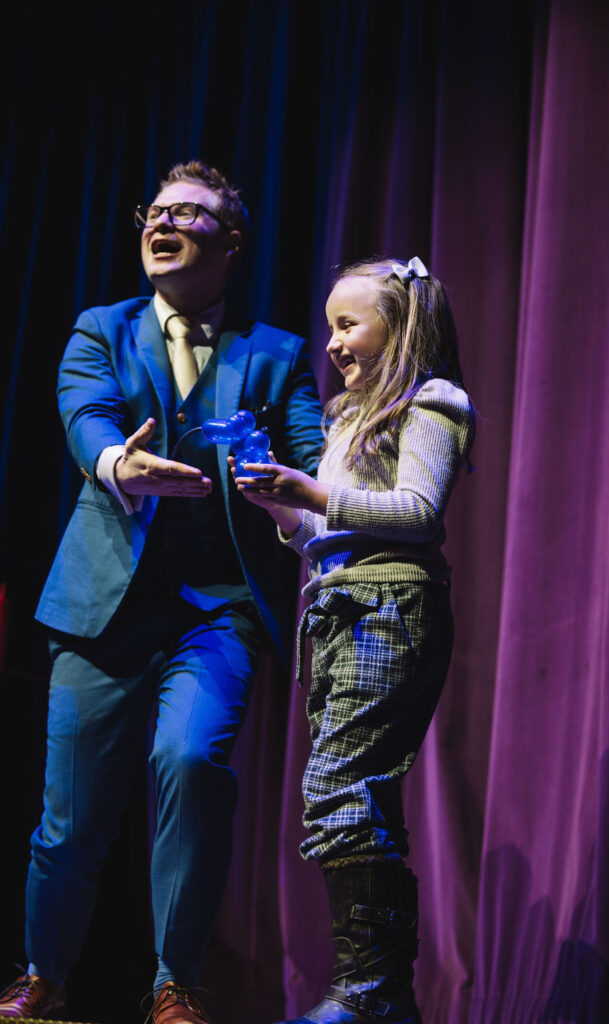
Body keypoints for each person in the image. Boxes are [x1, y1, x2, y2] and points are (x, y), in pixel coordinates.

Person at [0, 160, 323, 1024]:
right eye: (156, 211)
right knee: (71, 816)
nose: (163, 222)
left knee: (188, 761)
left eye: (189, 212)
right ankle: (44, 974)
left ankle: (175, 982)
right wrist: (119, 464)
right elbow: (85, 418)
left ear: (231, 241)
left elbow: (313, 462)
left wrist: (288, 494)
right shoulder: (100, 328)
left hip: (215, 611)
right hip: (100, 609)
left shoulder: (276, 353)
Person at [232, 256, 475, 1024]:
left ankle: (368, 994)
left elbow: (416, 513)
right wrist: (283, 508)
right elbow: (322, 536)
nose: (332, 342)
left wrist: (313, 490)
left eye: (348, 324)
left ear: (398, 329)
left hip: (388, 606)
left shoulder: (431, 401)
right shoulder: (346, 417)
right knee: (353, 795)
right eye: (329, 327)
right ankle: (381, 998)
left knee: (338, 790)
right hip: (338, 609)